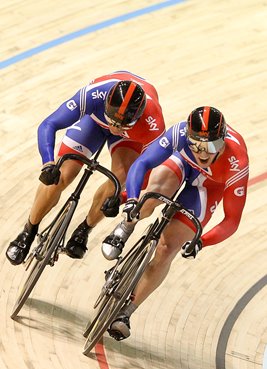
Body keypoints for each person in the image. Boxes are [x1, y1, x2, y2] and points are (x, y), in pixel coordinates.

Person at [101, 106, 249, 341]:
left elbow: (232, 220)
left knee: (167, 249)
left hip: (207, 188)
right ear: (188, 137)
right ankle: (125, 228)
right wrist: (130, 201)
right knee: (151, 196)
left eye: (210, 147)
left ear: (221, 143)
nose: (202, 152)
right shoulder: (179, 133)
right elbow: (142, 164)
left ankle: (126, 313)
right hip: (182, 164)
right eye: (196, 145)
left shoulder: (236, 162)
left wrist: (201, 242)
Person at [6, 71, 165, 265]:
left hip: (129, 137)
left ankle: (85, 229)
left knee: (120, 180)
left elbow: (146, 174)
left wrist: (121, 198)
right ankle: (29, 230)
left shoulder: (153, 124)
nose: (114, 126)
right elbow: (49, 124)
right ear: (107, 103)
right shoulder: (94, 94)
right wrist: (48, 164)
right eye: (112, 119)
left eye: (121, 123)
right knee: (62, 175)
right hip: (95, 122)